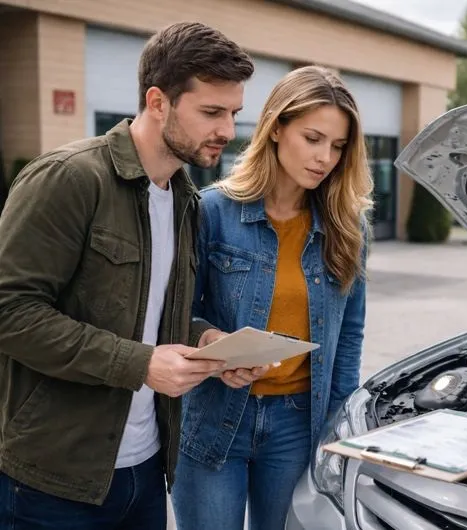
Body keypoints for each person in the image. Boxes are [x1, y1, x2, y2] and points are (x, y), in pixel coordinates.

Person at [0, 21, 254, 529]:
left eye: (233, 113)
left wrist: (209, 342)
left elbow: (148, 312)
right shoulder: (69, 178)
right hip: (53, 480)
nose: (227, 130)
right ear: (157, 101)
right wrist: (139, 364)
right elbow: (11, 313)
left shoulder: (185, 199)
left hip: (146, 468)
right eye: (211, 112)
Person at [170, 65, 372, 530]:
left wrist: (337, 430)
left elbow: (349, 337)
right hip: (214, 414)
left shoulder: (349, 227)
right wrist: (213, 341)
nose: (325, 157)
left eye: (338, 146)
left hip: (297, 425)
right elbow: (178, 313)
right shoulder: (211, 211)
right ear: (277, 127)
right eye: (313, 138)